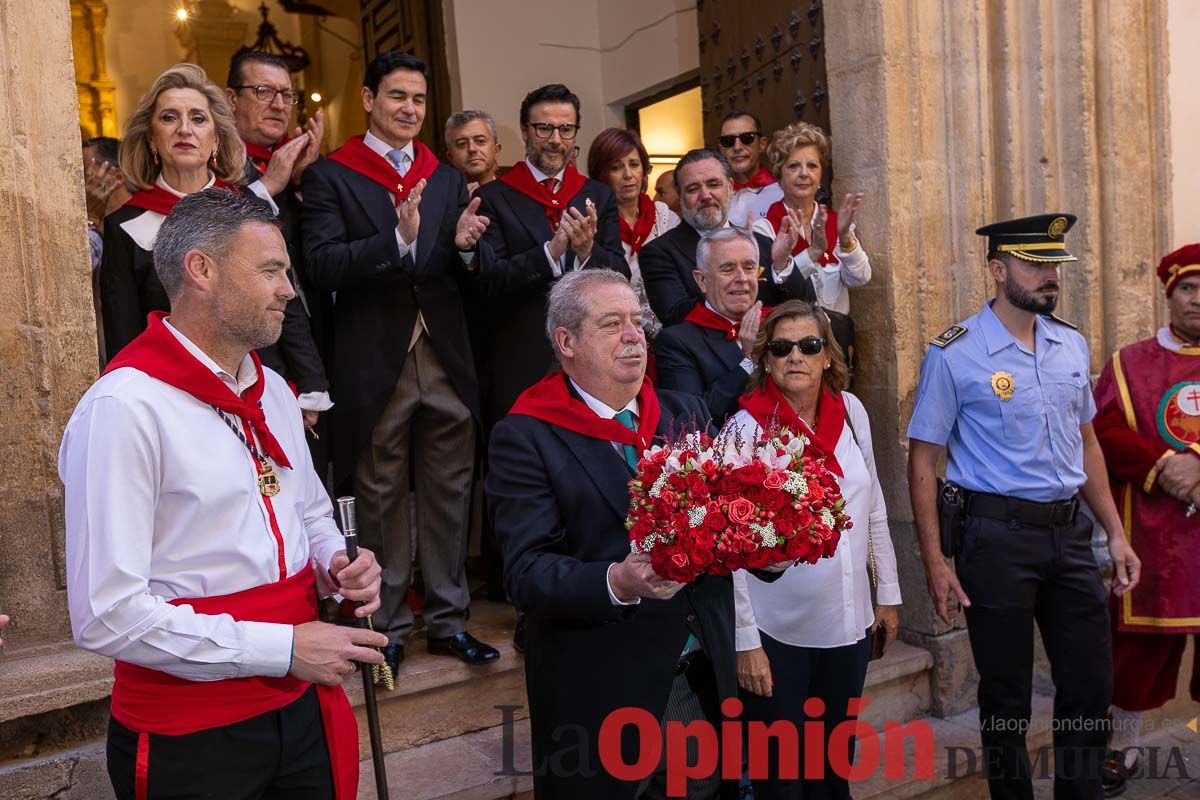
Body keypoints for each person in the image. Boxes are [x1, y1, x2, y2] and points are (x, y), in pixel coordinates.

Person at [60, 189, 387, 800]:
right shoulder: (124, 408)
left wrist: (334, 563)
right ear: (201, 270)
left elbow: (310, 511)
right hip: (193, 731)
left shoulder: (278, 394)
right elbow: (108, 613)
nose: (289, 289)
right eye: (270, 270)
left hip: (301, 702)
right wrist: (283, 646)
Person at [486, 269, 785, 799]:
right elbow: (526, 572)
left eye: (636, 321)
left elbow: (720, 525)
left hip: (698, 675)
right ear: (566, 342)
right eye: (611, 323)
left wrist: (768, 545)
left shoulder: (683, 412)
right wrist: (617, 582)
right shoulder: (525, 435)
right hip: (602, 689)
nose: (633, 335)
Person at [907, 213, 1141, 800]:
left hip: (1070, 535)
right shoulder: (954, 353)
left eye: (1055, 264)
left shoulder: (1071, 343)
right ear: (997, 269)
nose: (1050, 275)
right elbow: (922, 460)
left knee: (1089, 684)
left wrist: (1115, 532)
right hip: (996, 538)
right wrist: (935, 561)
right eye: (1036, 263)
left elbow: (1085, 441)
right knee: (1006, 696)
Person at [302, 51, 498, 674]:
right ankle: (384, 624)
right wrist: (395, 241)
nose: (409, 109)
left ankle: (448, 619)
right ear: (367, 99)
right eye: (396, 97)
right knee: (380, 490)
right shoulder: (331, 176)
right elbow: (323, 264)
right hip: (375, 354)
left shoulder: (442, 178)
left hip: (443, 351)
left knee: (448, 489)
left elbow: (451, 268)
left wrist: (463, 250)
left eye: (417, 99)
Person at [725, 300, 901, 799]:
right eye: (781, 348)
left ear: (828, 356)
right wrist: (745, 642)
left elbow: (875, 506)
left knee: (831, 778)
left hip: (848, 624)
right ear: (765, 359)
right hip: (776, 633)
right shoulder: (745, 430)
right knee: (780, 784)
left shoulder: (852, 412)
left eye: (809, 345)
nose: (795, 356)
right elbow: (728, 549)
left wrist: (886, 594)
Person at [1092, 243, 1200, 794]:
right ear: (1169, 295)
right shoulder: (1130, 362)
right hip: (1153, 532)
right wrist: (1165, 466)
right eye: (1188, 289)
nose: (1198, 300)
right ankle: (1123, 746)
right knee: (1140, 648)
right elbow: (1102, 429)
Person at [474, 83, 628, 431]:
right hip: (520, 352)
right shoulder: (493, 197)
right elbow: (491, 280)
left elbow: (620, 274)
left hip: (591, 352)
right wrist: (551, 252)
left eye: (566, 129)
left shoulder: (598, 195)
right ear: (526, 132)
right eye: (544, 128)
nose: (556, 139)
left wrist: (588, 250)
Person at [226, 50, 331, 435]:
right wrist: (267, 186)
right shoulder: (217, 164)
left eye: (287, 95)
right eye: (263, 91)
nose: (279, 105)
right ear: (231, 99)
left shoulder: (308, 164)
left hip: (316, 345)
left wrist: (306, 182)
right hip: (254, 351)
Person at [640, 149, 815, 327]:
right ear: (680, 196)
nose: (705, 195)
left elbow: (806, 305)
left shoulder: (762, 243)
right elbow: (675, 315)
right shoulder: (658, 253)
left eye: (713, 184)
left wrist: (781, 264)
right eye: (693, 189)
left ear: (730, 187)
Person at [752, 122, 869, 319]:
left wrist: (846, 238)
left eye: (812, 165)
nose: (804, 173)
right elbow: (771, 290)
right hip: (791, 341)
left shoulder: (835, 222)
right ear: (779, 174)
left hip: (836, 340)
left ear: (821, 173)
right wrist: (812, 253)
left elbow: (859, 278)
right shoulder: (764, 230)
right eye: (793, 166)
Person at [653, 227, 762, 421]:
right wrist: (749, 363)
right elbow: (691, 419)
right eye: (728, 269)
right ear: (701, 280)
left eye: (748, 267)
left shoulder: (779, 327)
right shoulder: (676, 342)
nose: (742, 278)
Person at [586, 126, 680, 340]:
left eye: (634, 164)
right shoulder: (593, 222)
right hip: (614, 334)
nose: (628, 175)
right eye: (616, 167)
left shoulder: (666, 218)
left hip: (667, 334)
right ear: (601, 175)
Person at [720, 110, 782, 224]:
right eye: (728, 141)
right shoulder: (713, 196)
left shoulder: (784, 193)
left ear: (762, 144)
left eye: (747, 138)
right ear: (721, 149)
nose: (737, 147)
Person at [445, 109, 502, 194]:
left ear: (496, 150)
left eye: (480, 141)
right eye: (462, 144)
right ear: (450, 157)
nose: (472, 149)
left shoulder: (516, 193)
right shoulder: (440, 200)